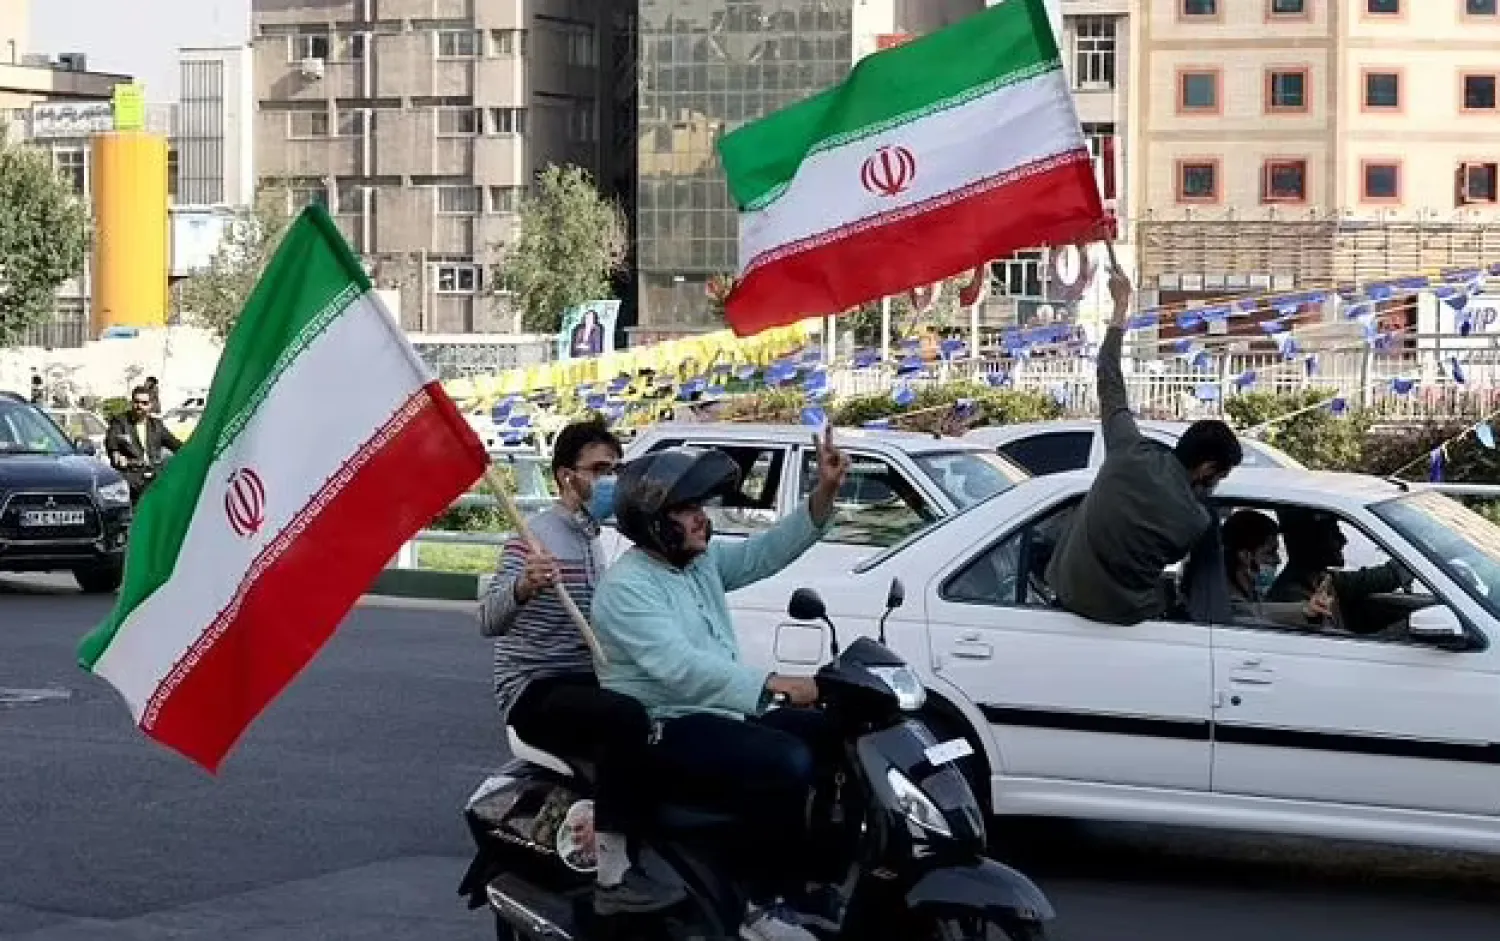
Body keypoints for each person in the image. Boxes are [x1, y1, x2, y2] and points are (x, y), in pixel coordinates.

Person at [591, 426, 852, 941]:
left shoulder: (697, 563)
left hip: (723, 712)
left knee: (832, 734)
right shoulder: (626, 590)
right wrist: (772, 683)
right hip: (668, 725)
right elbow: (681, 669)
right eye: (688, 510)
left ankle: (808, 878)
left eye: (699, 507)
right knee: (785, 761)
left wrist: (822, 494)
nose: (701, 518)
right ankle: (760, 903)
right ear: (655, 524)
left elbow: (764, 554)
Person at [478, 419, 682, 915]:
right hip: (535, 686)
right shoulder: (536, 537)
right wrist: (525, 585)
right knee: (625, 719)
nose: (612, 480)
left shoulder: (594, 538)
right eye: (601, 469)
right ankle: (613, 877)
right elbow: (488, 619)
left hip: (585, 676)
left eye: (617, 468)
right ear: (568, 476)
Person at [1046, 266, 1246, 625]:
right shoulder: (1195, 520)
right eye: (1221, 476)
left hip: (1065, 595)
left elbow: (1109, 378)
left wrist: (1121, 306)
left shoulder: (1128, 450)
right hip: (1125, 618)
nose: (1218, 484)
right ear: (1206, 469)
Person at [1268, 508, 1413, 635]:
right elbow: (1342, 648)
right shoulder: (1293, 598)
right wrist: (1406, 630)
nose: (1343, 540)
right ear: (1311, 542)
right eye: (1334, 534)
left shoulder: (1323, 579)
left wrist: (1415, 558)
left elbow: (1377, 578)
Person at [1221, 510, 1333, 628]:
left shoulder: (1251, 590)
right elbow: (1245, 612)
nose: (1278, 560)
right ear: (1245, 556)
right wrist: (1305, 609)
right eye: (1270, 553)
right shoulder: (1222, 594)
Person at [105, 385, 183, 500]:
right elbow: (112, 444)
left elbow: (176, 445)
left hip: (154, 478)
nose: (139, 406)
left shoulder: (157, 425)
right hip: (130, 479)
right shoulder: (120, 422)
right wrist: (116, 455)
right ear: (132, 402)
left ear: (151, 405)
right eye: (136, 402)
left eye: (144, 403)